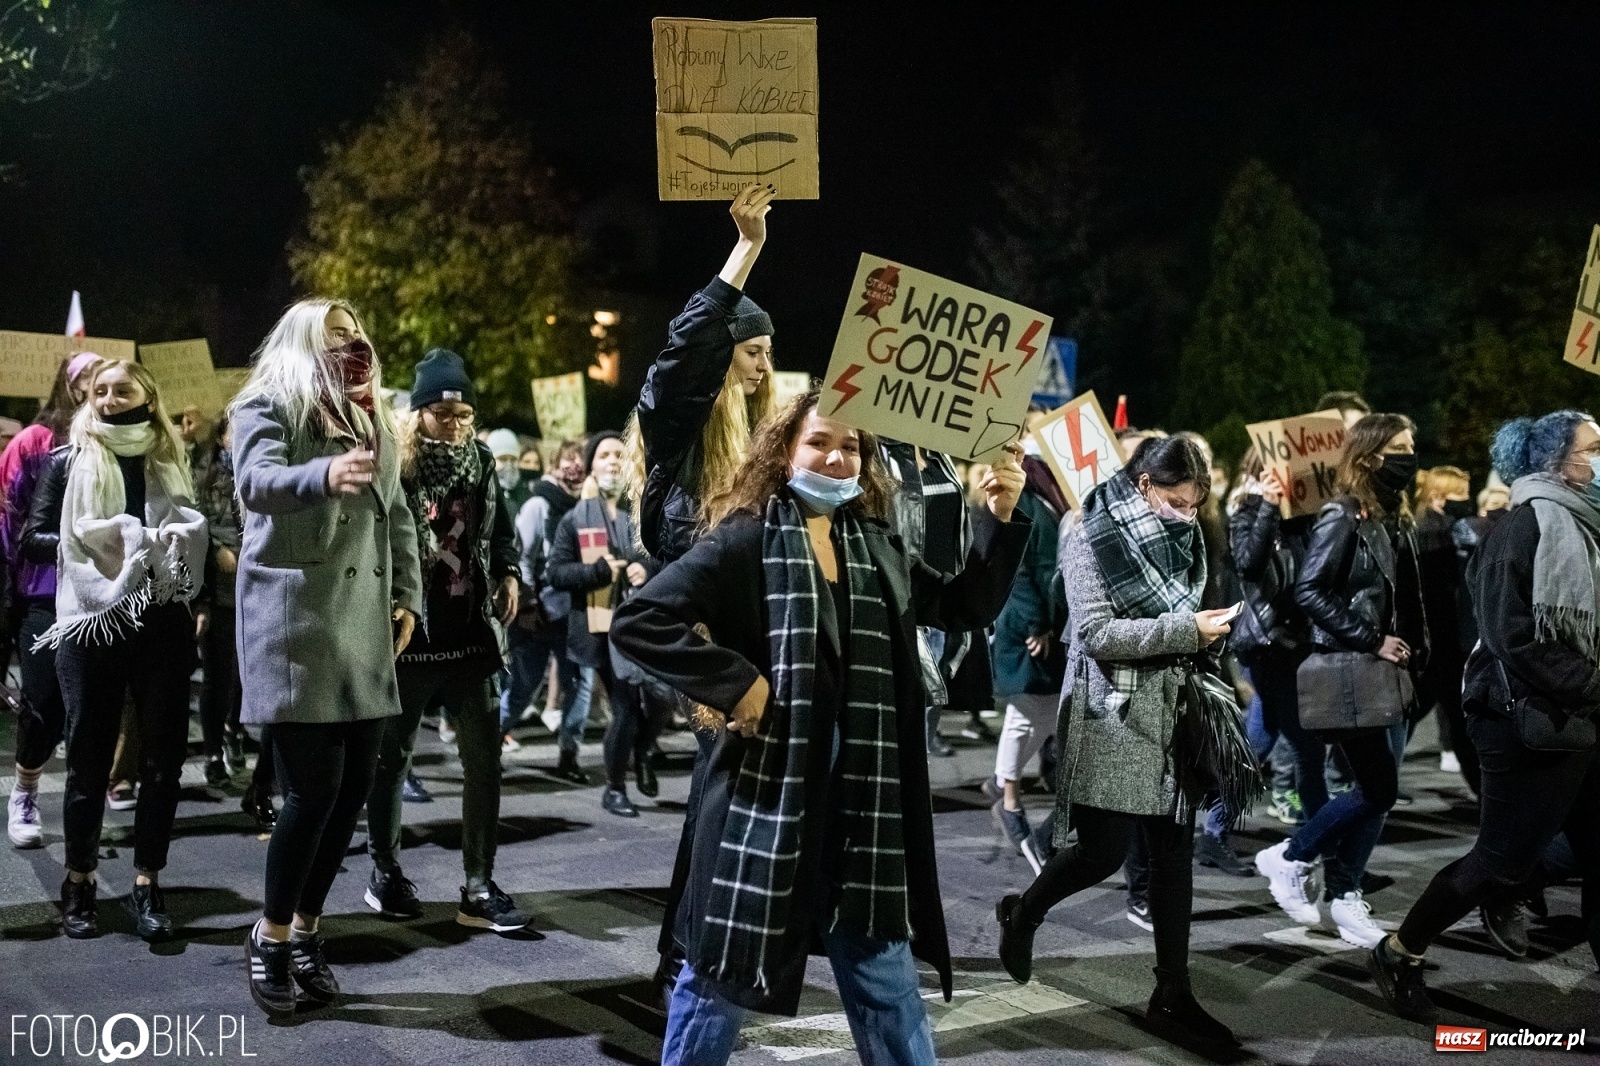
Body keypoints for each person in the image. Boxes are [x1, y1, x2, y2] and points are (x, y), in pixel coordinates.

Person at [612, 391, 1028, 1065]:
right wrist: (735, 683)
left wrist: (998, 515)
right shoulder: (743, 538)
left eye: (852, 448)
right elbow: (640, 622)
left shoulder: (879, 545)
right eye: (819, 443)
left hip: (861, 817)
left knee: (887, 982)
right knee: (720, 983)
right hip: (764, 812)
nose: (836, 457)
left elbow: (963, 605)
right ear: (784, 451)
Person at [995, 435, 1243, 1050]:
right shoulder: (1088, 531)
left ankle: (1173, 994)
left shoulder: (1186, 533)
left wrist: (1210, 637)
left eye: (1196, 503)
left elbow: (1190, 610)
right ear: (1144, 486)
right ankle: (1024, 913)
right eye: (1177, 501)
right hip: (1112, 710)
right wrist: (1187, 629)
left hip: (1173, 710)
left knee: (1172, 857)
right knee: (1103, 852)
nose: (1187, 514)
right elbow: (1099, 633)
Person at [1372, 411, 1600, 1021]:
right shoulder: (1523, 528)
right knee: (1498, 860)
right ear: (1559, 463)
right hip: (1521, 721)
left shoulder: (1586, 526)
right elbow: (1513, 637)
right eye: (1594, 447)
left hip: (1578, 717)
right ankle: (1400, 950)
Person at [230, 299, 422, 1015]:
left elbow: (397, 511)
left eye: (355, 332)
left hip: (366, 623)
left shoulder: (375, 414)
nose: (351, 341)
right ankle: (271, 934)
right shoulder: (267, 402)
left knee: (352, 791)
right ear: (302, 340)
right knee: (310, 793)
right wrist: (323, 475)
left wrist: (409, 595)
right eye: (334, 333)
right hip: (298, 624)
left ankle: (310, 929)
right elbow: (256, 482)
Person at [628, 183, 778, 998]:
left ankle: (680, 953)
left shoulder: (759, 449)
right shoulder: (680, 438)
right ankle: (689, 960)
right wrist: (744, 252)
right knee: (719, 803)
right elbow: (680, 354)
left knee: (717, 802)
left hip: (746, 643)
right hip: (711, 651)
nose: (763, 370)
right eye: (752, 353)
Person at [23, 359, 208, 940]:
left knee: (163, 762)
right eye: (98, 390)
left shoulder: (171, 459)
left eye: (121, 390)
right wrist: (111, 546)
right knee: (88, 757)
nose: (106, 399)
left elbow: (192, 533)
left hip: (161, 622)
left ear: (147, 399)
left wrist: (175, 554)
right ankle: (78, 879)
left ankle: (148, 881)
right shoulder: (66, 459)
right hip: (93, 621)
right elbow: (32, 538)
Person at [361, 349, 525, 931]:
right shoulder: (393, 464)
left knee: (483, 764)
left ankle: (478, 886)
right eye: (442, 413)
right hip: (409, 638)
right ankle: (384, 870)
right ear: (419, 412)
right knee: (391, 759)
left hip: (471, 636)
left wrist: (509, 573)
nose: (454, 424)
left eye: (463, 414)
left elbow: (501, 535)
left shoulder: (481, 463)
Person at [1257, 413, 1427, 948]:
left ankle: (1344, 893)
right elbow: (1310, 590)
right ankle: (1291, 855)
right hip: (1355, 667)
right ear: (1372, 455)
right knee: (1379, 787)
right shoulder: (1343, 513)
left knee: (1379, 791)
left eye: (1411, 444)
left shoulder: (1391, 514)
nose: (1410, 454)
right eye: (1400, 446)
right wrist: (1369, 639)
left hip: (1389, 670)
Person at [6, 353, 98, 849]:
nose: (97, 382)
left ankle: (83, 809)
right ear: (68, 383)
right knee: (41, 699)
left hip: (98, 595)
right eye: (87, 374)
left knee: (79, 706)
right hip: (43, 591)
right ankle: (23, 792)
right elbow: (10, 516)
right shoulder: (36, 442)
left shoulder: (114, 442)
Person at [548, 430, 662, 817]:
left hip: (641, 623)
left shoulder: (641, 513)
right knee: (626, 706)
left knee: (662, 699)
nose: (613, 461)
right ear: (592, 465)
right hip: (602, 629)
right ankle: (614, 788)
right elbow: (557, 573)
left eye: (619, 454)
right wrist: (598, 571)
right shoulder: (574, 520)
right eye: (605, 455)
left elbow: (661, 559)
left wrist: (643, 568)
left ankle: (643, 752)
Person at [1229, 450, 1328, 832]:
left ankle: (1216, 826)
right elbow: (1249, 565)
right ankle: (1320, 842)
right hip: (1267, 643)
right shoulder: (1248, 513)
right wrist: (1269, 507)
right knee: (1307, 748)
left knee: (1260, 739)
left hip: (1296, 643)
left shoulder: (1304, 519)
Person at [193, 415, 279, 828]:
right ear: (223, 435)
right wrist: (216, 548)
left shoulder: (265, 467)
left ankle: (235, 735)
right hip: (221, 588)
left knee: (247, 674)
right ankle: (212, 750)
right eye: (235, 430)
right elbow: (192, 523)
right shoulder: (205, 475)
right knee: (218, 674)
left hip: (257, 586)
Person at [989, 448, 1067, 874]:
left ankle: (1007, 791)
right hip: (1029, 634)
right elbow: (1023, 572)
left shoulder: (1045, 508)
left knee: (1042, 716)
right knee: (1029, 716)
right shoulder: (1032, 509)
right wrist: (1038, 624)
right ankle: (1010, 800)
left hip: (1040, 631)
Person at [505, 438, 595, 774]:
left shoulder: (590, 505)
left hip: (577, 613)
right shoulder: (538, 505)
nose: (574, 467)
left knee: (581, 684)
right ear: (553, 466)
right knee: (525, 686)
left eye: (580, 460)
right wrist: (527, 605)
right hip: (541, 613)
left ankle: (568, 754)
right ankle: (492, 738)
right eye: (567, 460)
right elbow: (523, 557)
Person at [1415, 465, 1478, 788]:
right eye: (1461, 496)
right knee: (1458, 717)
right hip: (1444, 641)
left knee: (1413, 714)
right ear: (1439, 496)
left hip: (1428, 640)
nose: (1466, 503)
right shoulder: (1444, 533)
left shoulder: (1416, 526)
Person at [486, 427, 534, 515]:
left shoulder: (526, 496)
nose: (509, 465)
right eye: (502, 459)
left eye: (513, 459)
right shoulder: (483, 497)